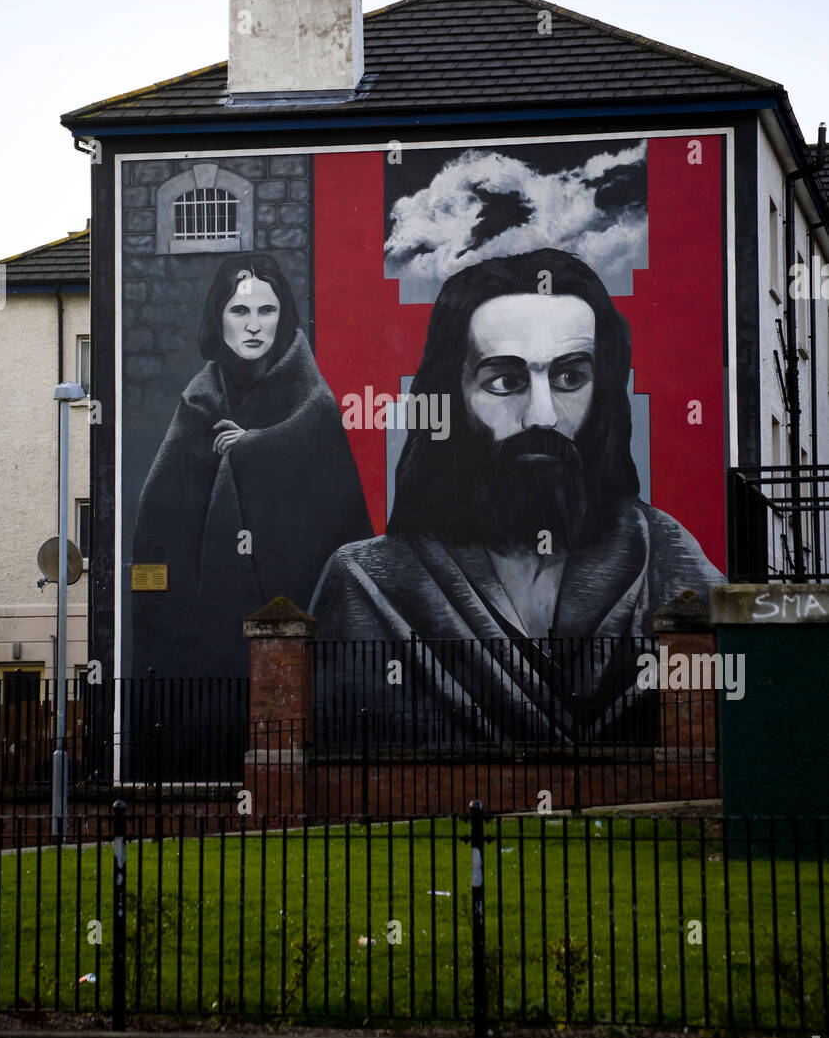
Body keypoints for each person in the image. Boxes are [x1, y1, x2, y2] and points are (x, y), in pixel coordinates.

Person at [309, 248, 724, 744]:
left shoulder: (667, 562)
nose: (542, 416)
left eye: (571, 377)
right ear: (451, 395)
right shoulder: (370, 584)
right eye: (505, 381)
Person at [131, 253, 373, 687]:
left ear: (283, 318)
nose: (254, 325)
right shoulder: (198, 405)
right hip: (207, 642)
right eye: (239, 310)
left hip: (295, 629)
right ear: (219, 318)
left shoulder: (314, 408)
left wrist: (254, 449)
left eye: (267, 310)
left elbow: (339, 531)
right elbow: (161, 525)